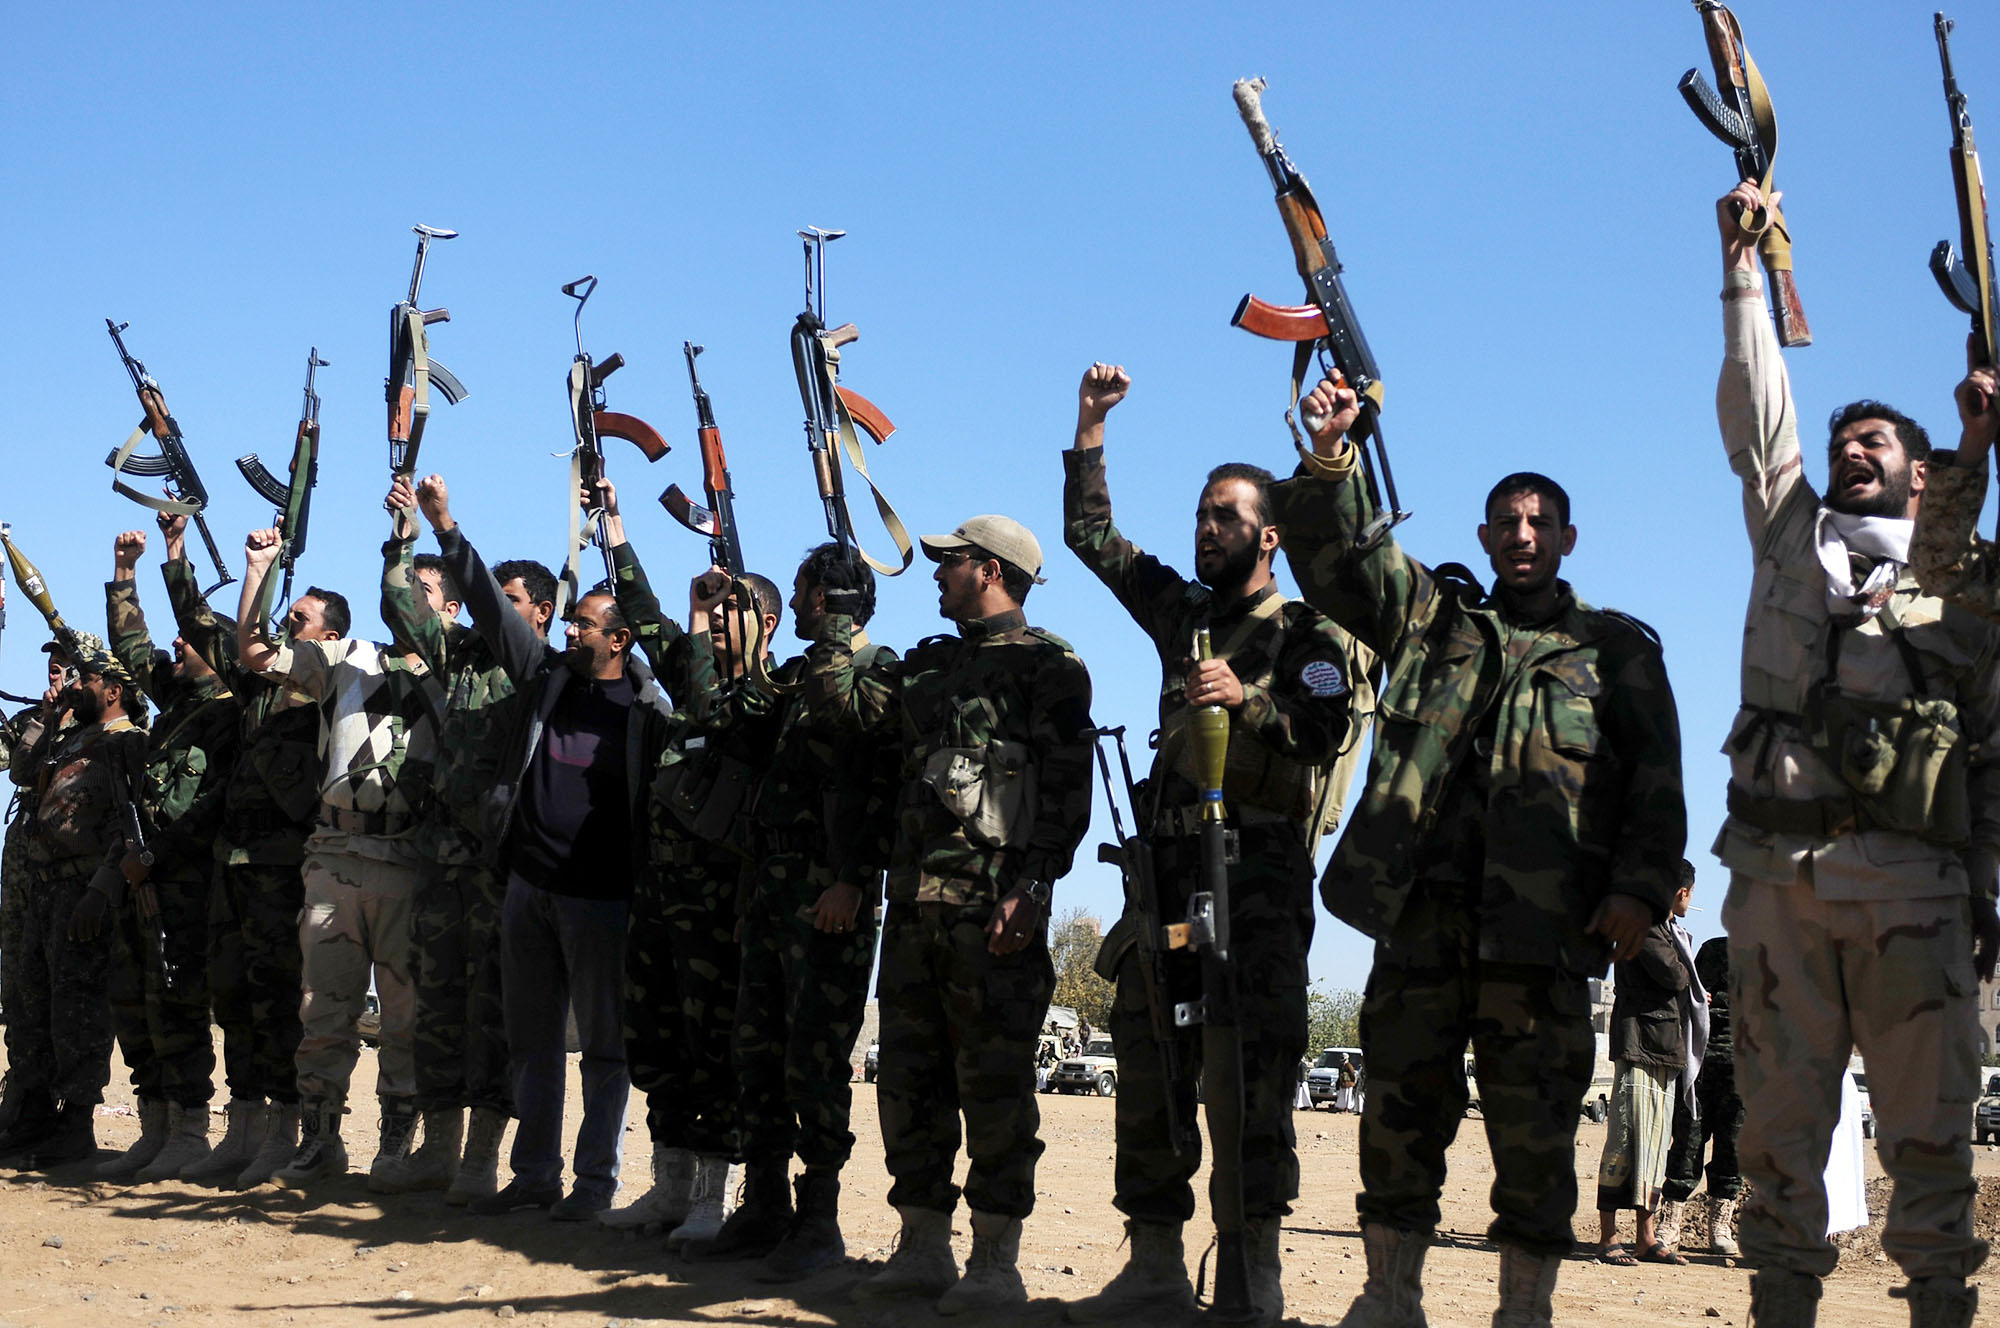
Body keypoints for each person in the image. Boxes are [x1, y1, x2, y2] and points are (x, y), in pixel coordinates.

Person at [1268, 376, 1687, 1328]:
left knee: (1535, 1139)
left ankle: (1523, 1314)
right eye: (1506, 520)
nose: (1522, 535)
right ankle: (1388, 1299)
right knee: (1398, 1120)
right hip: (1419, 919)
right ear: (1487, 534)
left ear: (1568, 538)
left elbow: (1657, 781)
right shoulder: (1434, 622)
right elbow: (1335, 563)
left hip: (1543, 938)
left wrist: (1640, 888)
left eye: (1540, 521)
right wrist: (1330, 457)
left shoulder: (1614, 652)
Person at [1708, 179, 1999, 1328]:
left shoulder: (1962, 577)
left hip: (1914, 889)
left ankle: (1938, 1306)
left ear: (1921, 470)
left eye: (1872, 438)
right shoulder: (1788, 536)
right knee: (1778, 1134)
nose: (1846, 449)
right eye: (1839, 439)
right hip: (1777, 887)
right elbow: (1753, 404)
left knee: (1928, 1131)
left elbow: (1988, 749)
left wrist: (1984, 886)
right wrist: (1739, 265)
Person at [1060, 362, 1359, 1324]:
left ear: (1267, 535)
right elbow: (1093, 539)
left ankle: (1250, 1282)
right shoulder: (1183, 615)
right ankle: (1151, 1267)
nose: (1206, 528)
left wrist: (1251, 700)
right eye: (1200, 513)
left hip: (1258, 880)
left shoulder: (1307, 632)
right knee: (1150, 1055)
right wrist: (1092, 427)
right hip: (1171, 879)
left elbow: (1327, 728)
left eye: (1225, 516)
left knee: (1253, 1074)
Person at [804, 512, 1095, 1313]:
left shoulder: (1048, 666)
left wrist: (1034, 889)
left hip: (991, 913)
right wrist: (835, 609)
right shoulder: (927, 669)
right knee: (908, 1083)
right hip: (913, 915)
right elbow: (842, 707)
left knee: (996, 1090)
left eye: (950, 561)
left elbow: (1069, 792)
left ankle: (996, 1261)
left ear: (992, 571)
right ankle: (922, 1246)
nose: (935, 572)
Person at [420, 474, 676, 1221]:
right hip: (527, 889)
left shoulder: (646, 709)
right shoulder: (546, 680)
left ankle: (594, 1187)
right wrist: (445, 526)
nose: (570, 633)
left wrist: (620, 530)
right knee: (532, 1046)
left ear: (619, 638)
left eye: (586, 627)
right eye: (569, 625)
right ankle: (534, 1177)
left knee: (604, 1052)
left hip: (602, 898)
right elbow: (498, 614)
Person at [235, 493, 444, 1191]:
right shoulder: (350, 658)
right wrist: (259, 572)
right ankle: (320, 1142)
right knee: (324, 1011)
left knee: (407, 1018)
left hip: (410, 861)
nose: (409, 598)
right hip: (337, 855)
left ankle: (396, 1145)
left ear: (447, 612)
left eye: (426, 590)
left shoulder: (459, 675)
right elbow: (257, 653)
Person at [589, 479, 778, 1249]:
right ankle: (668, 1186)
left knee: (713, 1050)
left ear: (765, 622)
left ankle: (711, 1192)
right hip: (661, 898)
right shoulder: (692, 663)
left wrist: (699, 621)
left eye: (732, 610)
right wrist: (618, 531)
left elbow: (706, 707)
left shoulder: (768, 696)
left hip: (721, 908)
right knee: (656, 1040)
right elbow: (640, 615)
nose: (713, 620)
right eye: (712, 610)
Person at [719, 540, 902, 1280]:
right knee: (756, 1052)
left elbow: (880, 781)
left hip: (830, 887)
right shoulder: (798, 678)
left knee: (815, 1062)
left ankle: (818, 1220)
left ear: (828, 602)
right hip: (773, 885)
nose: (793, 608)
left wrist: (855, 880)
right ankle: (764, 1204)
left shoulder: (879, 671)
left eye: (802, 595)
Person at [373, 496, 550, 1205]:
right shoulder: (463, 655)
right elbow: (407, 615)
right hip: (441, 855)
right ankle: (438, 1150)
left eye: (509, 602)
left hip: (499, 862)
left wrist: (450, 536)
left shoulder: (537, 665)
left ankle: (482, 1157)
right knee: (437, 1003)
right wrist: (399, 543)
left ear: (539, 612)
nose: (493, 613)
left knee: (493, 1011)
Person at [162, 513, 346, 1187]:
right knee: (232, 996)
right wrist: (244, 570)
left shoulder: (329, 694)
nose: (285, 626)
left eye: (299, 620)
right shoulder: (256, 694)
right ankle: (242, 1128)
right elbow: (212, 632)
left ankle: (284, 1131)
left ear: (329, 637)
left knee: (278, 1002)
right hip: (232, 863)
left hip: (284, 868)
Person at [86, 528, 242, 1183]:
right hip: (142, 869)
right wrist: (124, 572)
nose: (177, 646)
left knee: (179, 1001)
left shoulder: (230, 710)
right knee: (139, 1000)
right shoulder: (179, 699)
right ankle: (155, 1126)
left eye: (191, 642)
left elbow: (213, 801)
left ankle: (191, 1129)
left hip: (186, 874)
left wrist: (160, 856)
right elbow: (129, 647)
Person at [0, 637, 147, 1167]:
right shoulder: (70, 738)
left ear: (111, 688)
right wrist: (47, 717)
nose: (72, 685)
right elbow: (22, 770)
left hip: (82, 886)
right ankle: (34, 1113)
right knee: (36, 1000)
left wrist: (101, 890)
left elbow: (127, 824)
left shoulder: (124, 741)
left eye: (83, 679)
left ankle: (76, 1122)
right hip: (43, 884)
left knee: (78, 1007)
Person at [1595, 863, 1699, 1266]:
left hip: (1661, 1047)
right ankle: (1608, 1237)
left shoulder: (1662, 927)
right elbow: (1674, 976)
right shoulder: (1649, 926)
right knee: (1625, 1142)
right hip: (1640, 1044)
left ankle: (1646, 1237)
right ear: (1680, 892)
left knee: (1654, 1148)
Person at [1659, 936, 1741, 1258]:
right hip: (1703, 1062)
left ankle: (1720, 1225)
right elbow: (1692, 999)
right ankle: (1671, 1220)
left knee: (1733, 1148)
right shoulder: (1715, 950)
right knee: (1687, 1142)